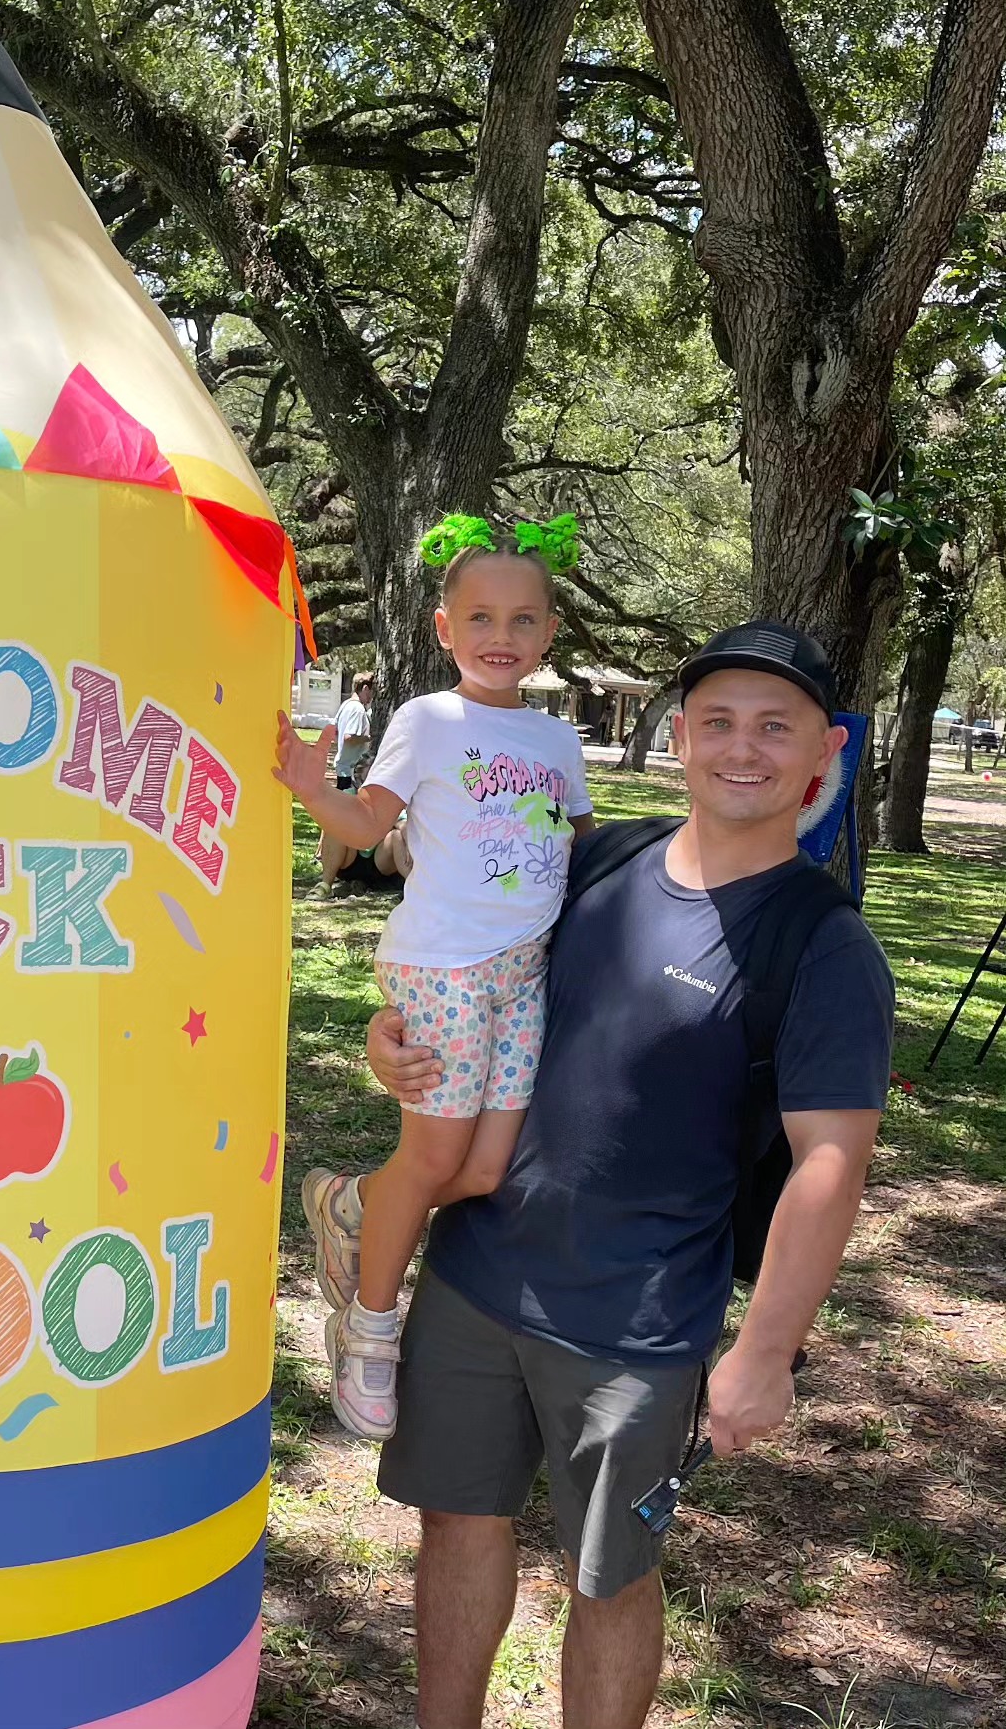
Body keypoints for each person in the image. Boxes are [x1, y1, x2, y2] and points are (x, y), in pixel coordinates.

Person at [343, 620, 894, 1729]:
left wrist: (766, 1352)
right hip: (478, 1269)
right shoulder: (599, 856)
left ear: (823, 755)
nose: (743, 748)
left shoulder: (824, 945)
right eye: (719, 721)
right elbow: (475, 972)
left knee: (608, 1579)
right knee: (454, 1522)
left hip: (636, 1322)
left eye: (774, 727)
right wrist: (384, 1034)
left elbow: (831, 1163)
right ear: (680, 736)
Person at [274, 512, 593, 1438]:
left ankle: (353, 1204)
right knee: (435, 1157)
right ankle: (369, 1330)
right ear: (444, 629)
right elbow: (370, 826)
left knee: (486, 1170)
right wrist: (307, 784)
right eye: (481, 619)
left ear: (549, 633)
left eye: (524, 620)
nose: (503, 637)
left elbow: (575, 844)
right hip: (443, 965)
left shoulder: (558, 743)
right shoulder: (427, 719)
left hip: (521, 973)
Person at [332, 672, 375, 788]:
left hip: (342, 768)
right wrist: (368, 738)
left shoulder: (345, 705)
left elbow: (334, 731)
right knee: (347, 804)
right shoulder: (358, 709)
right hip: (350, 771)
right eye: (371, 692)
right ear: (365, 688)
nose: (371, 698)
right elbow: (349, 737)